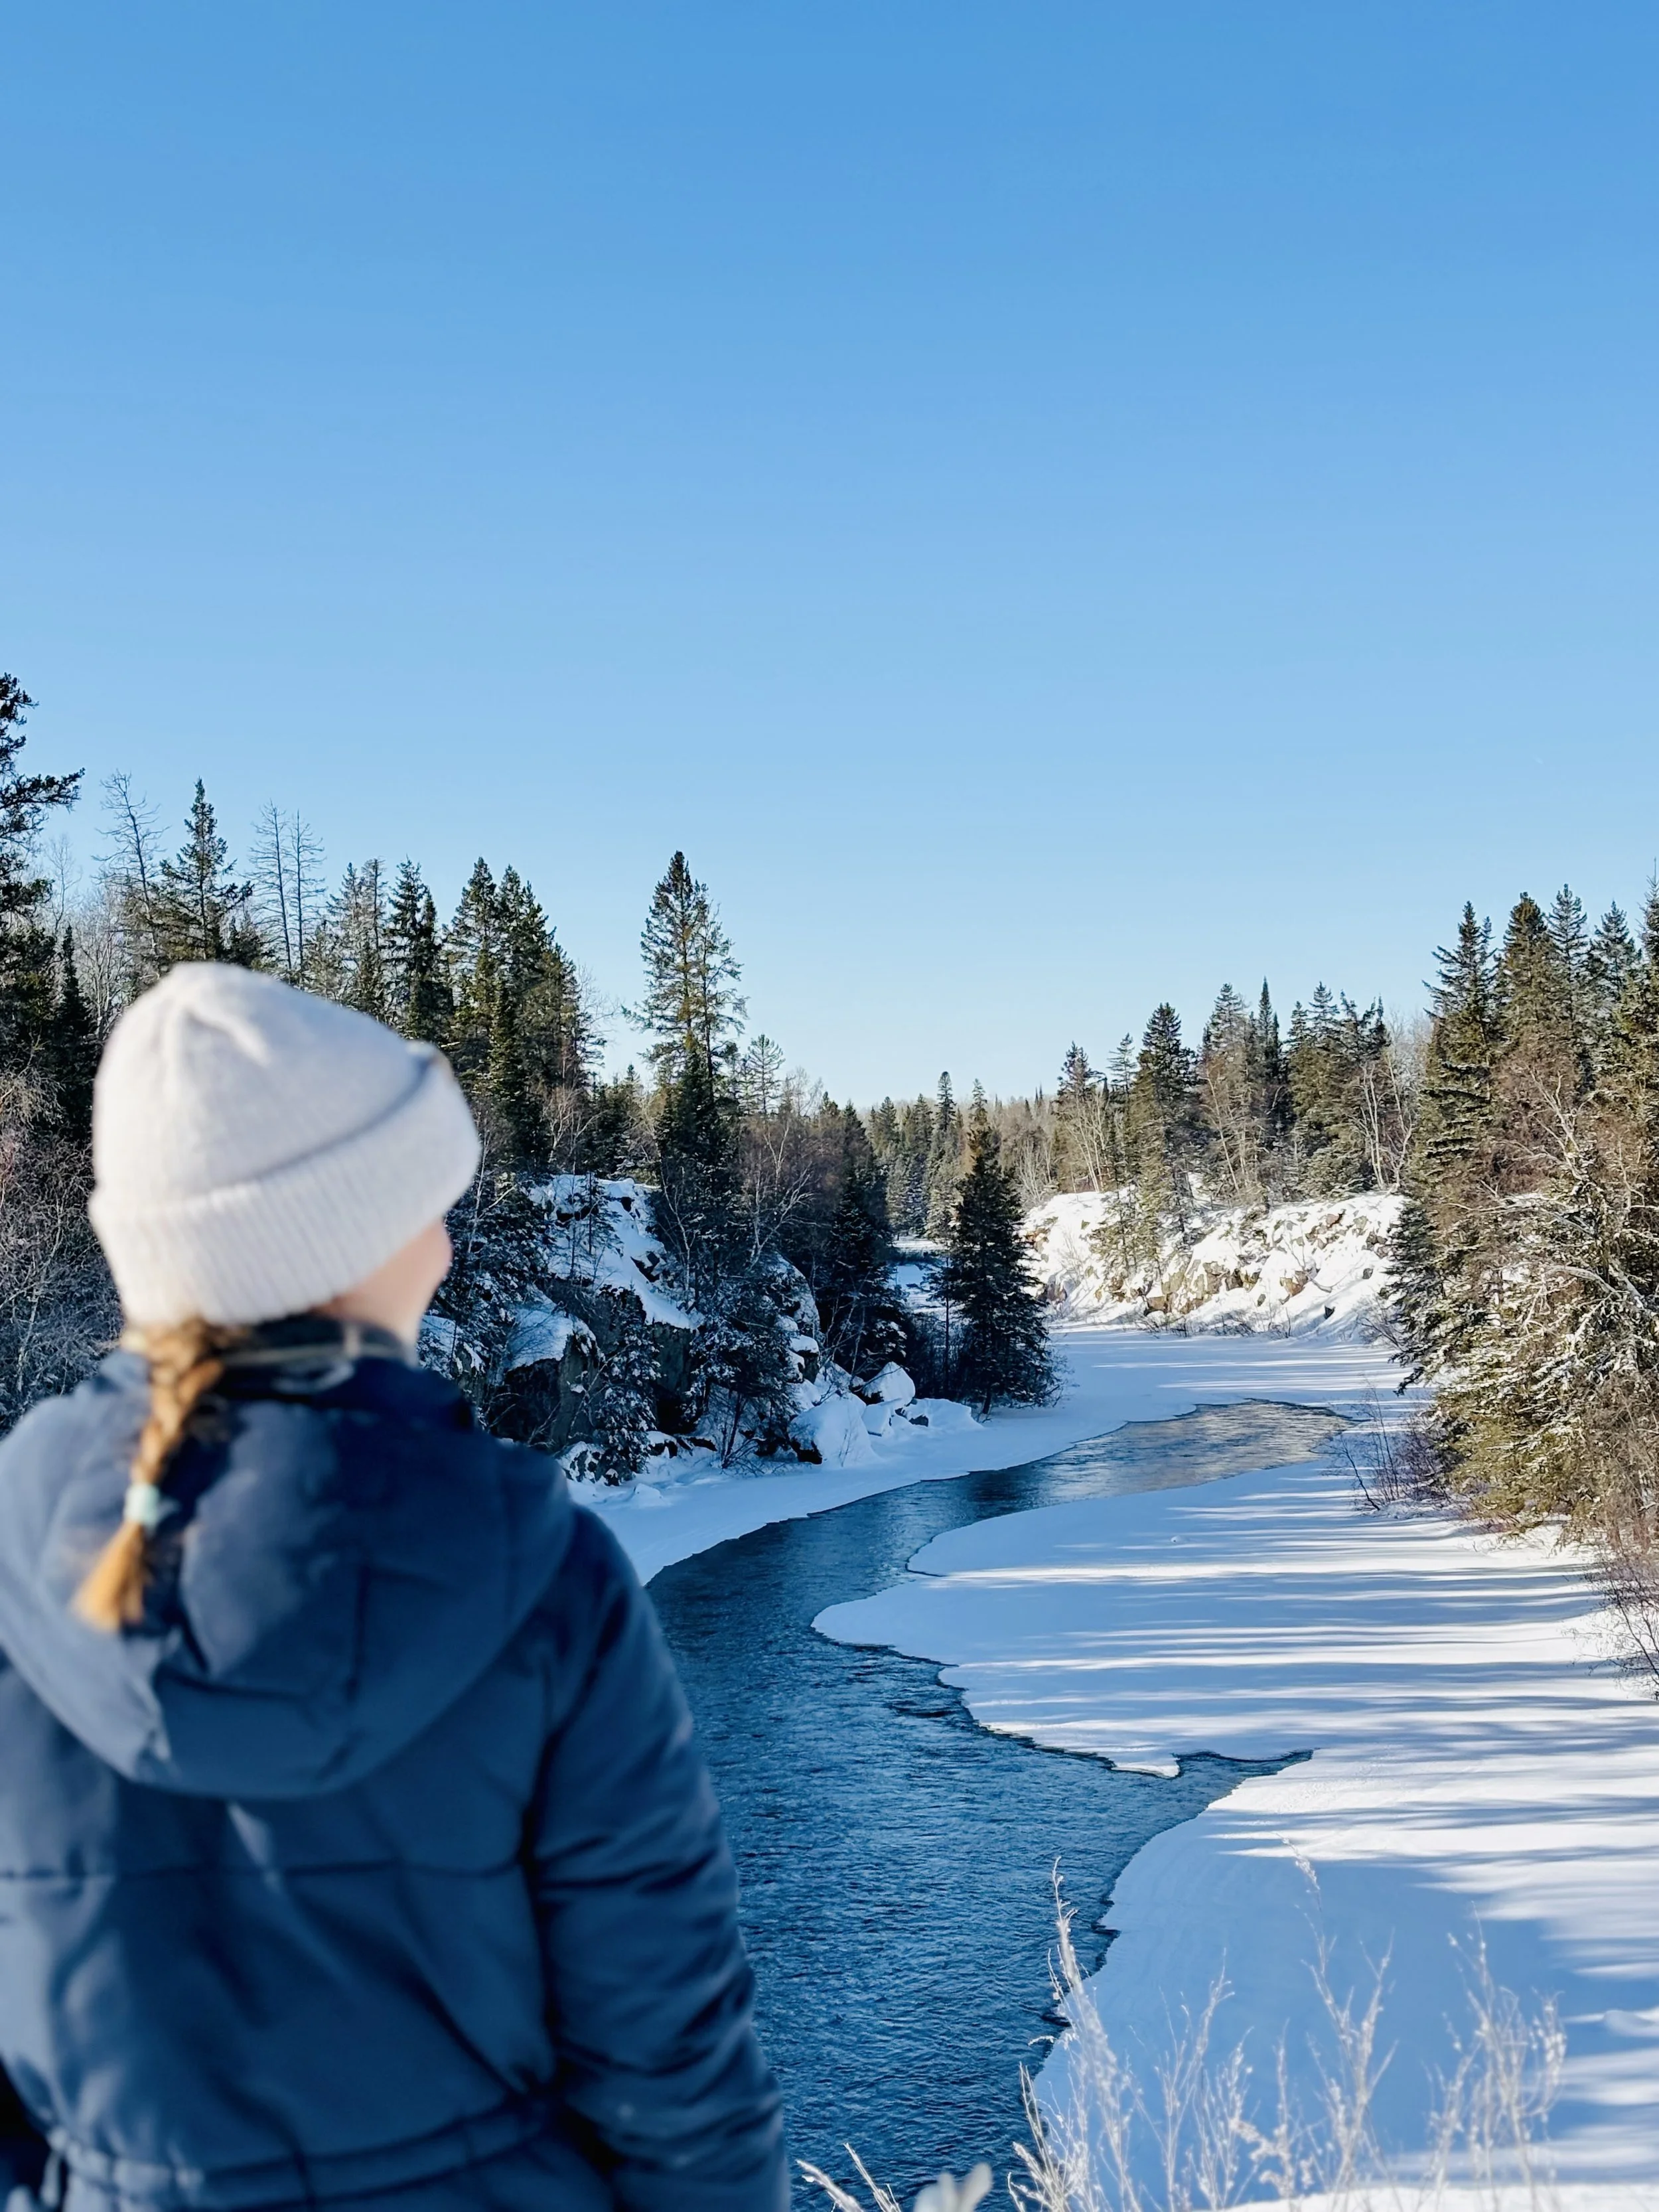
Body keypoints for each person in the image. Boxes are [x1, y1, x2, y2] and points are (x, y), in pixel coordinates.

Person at [0, 964, 788, 2212]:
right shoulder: (543, 1575)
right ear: (353, 1241)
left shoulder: (12, 1555)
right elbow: (667, 2055)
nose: (448, 1236)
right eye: (428, 1201)